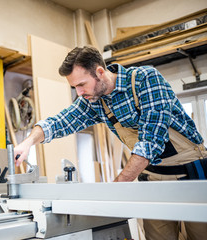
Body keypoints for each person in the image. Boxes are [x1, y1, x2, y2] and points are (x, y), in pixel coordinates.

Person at [13, 46, 207, 240]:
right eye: (75, 88)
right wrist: (28, 142)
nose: (79, 93)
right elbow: (60, 122)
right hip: (153, 178)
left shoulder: (146, 79)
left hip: (191, 173)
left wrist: (114, 190)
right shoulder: (95, 100)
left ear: (99, 72)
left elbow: (150, 142)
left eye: (82, 84)